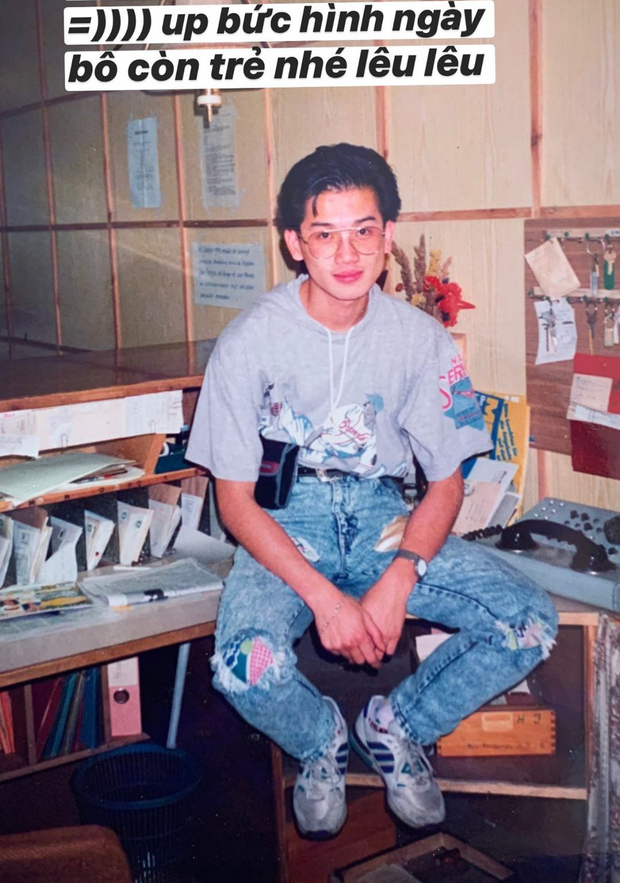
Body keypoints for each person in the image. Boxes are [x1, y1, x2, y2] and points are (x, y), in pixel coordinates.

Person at [187, 143, 558, 839]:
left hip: (384, 515)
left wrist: (399, 577)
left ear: (388, 236)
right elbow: (234, 501)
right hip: (285, 519)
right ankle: (318, 739)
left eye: (363, 230)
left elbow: (446, 480)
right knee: (242, 668)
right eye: (324, 234)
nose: (347, 253)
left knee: (529, 622)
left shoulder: (421, 340)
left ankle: (397, 725)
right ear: (295, 243)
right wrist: (327, 601)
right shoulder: (248, 341)